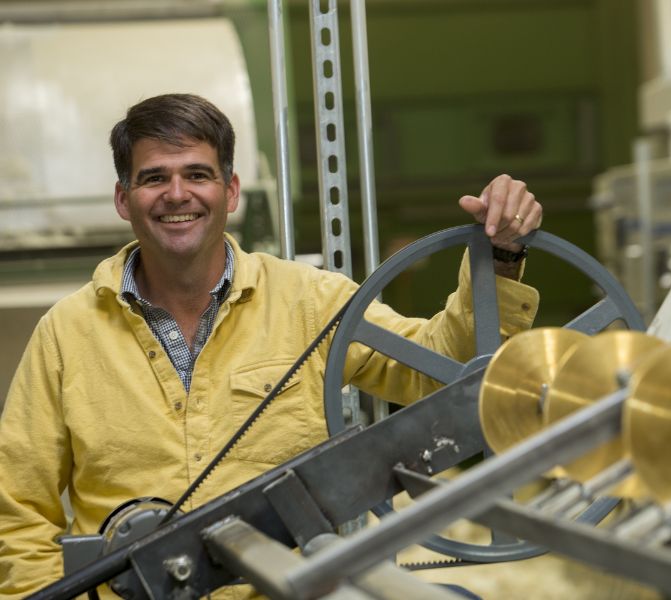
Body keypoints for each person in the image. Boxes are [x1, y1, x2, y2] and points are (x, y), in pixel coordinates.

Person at [0, 93, 543, 597]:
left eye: (197, 174)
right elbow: (18, 510)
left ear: (230, 191)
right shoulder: (67, 333)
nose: (177, 194)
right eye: (153, 178)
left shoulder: (309, 302)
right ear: (124, 198)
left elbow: (440, 369)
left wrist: (499, 257)